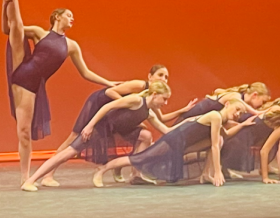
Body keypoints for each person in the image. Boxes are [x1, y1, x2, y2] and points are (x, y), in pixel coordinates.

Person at [2, 0, 116, 183]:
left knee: (24, 133)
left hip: (35, 84)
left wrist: (110, 83)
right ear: (57, 16)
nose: (72, 18)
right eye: (68, 14)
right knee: (17, 24)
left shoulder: (71, 45)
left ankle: (27, 178)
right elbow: (7, 28)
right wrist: (4, 3)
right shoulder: (39, 32)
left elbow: (85, 73)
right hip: (23, 70)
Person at [39, 65, 181, 187]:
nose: (163, 79)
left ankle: (132, 173)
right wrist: (127, 105)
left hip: (116, 112)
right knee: (75, 138)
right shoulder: (140, 86)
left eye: (166, 77)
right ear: (150, 76)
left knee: (141, 134)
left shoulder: (152, 98)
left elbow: (161, 119)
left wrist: (183, 111)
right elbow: (109, 92)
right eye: (160, 75)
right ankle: (48, 175)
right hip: (100, 103)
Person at [92, 100, 248, 187]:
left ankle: (205, 174)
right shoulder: (216, 116)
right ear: (227, 104)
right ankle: (102, 170)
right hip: (175, 141)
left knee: (220, 139)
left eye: (240, 113)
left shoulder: (219, 120)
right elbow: (213, 145)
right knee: (142, 158)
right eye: (236, 109)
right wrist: (218, 171)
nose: (237, 114)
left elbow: (218, 134)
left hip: (183, 143)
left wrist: (242, 125)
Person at [222, 98, 280, 183]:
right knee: (225, 157)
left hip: (255, 133)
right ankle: (220, 167)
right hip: (245, 137)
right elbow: (264, 151)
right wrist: (265, 178)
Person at [177, 82, 270, 120]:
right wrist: (257, 112)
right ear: (255, 95)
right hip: (190, 117)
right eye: (263, 101)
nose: (262, 105)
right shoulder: (236, 96)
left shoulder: (240, 100)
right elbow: (241, 103)